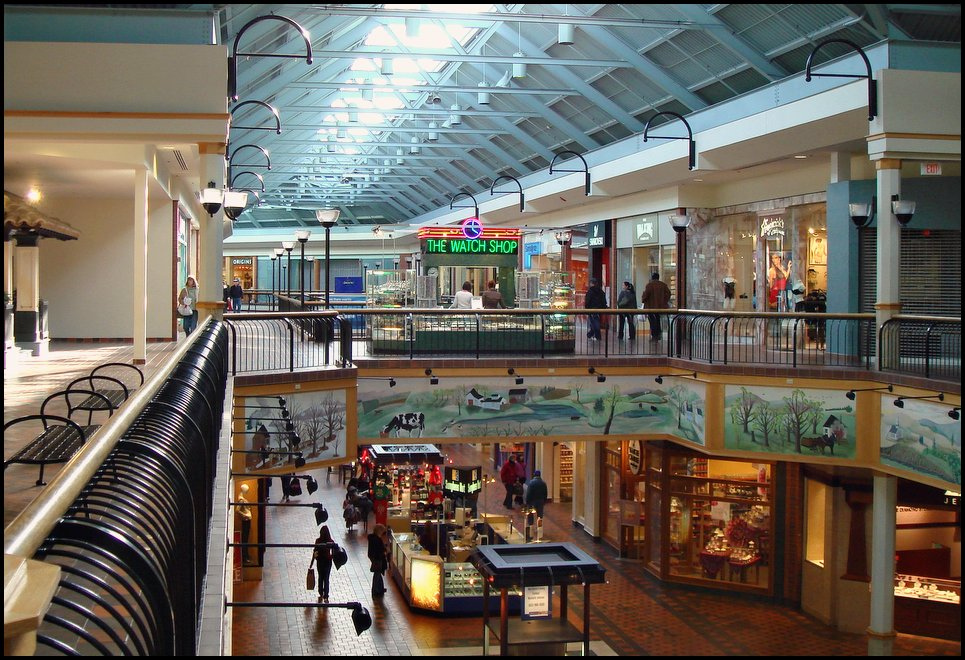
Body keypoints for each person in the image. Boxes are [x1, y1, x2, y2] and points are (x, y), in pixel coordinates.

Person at [312, 525, 339, 603]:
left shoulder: (318, 541)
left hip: (320, 561)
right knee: (326, 578)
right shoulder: (330, 541)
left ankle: (320, 592)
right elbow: (335, 551)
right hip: (327, 561)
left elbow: (315, 550)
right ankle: (326, 596)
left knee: (320, 577)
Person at [641, 272, 671, 341]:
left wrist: (643, 299)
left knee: (652, 321)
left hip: (650, 307)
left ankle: (654, 335)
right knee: (657, 319)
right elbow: (668, 293)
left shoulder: (649, 285)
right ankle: (658, 333)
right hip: (660, 307)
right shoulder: (663, 285)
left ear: (652, 278)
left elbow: (645, 295)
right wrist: (664, 301)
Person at [367, 523, 390, 597]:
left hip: (373, 557)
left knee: (378, 573)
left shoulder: (372, 538)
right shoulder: (377, 540)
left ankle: (380, 588)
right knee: (377, 574)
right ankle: (375, 590)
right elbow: (380, 550)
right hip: (378, 558)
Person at [237, 484, 253, 564]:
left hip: (247, 519)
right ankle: (244, 556)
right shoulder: (241, 500)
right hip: (246, 520)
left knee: (246, 538)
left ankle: (246, 555)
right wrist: (244, 515)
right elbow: (237, 510)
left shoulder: (242, 498)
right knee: (245, 538)